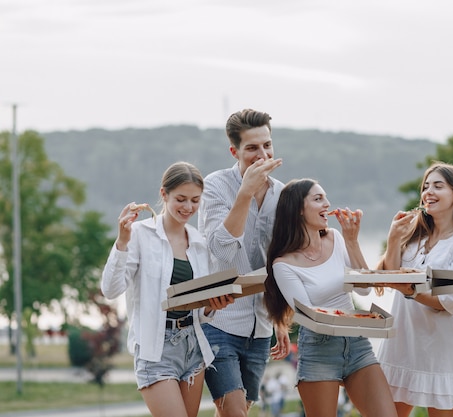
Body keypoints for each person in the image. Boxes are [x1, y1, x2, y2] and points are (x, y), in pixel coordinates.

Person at [101, 161, 233, 417]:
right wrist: (122, 242)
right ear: (164, 194)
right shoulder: (139, 234)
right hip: (155, 349)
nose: (188, 207)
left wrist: (212, 306)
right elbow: (110, 289)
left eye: (195, 200)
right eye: (181, 199)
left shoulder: (199, 242)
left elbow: (199, 307)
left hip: (193, 348)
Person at [264, 178, 399, 417]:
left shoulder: (336, 238)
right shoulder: (283, 264)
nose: (327, 204)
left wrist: (352, 242)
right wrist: (355, 318)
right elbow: (308, 317)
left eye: (325, 197)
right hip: (319, 350)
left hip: (357, 345)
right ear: (298, 210)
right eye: (318, 199)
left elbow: (365, 290)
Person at [198, 109, 290, 416]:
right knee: (234, 412)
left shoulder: (282, 194)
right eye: (252, 148)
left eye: (267, 145)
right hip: (219, 322)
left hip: (260, 327)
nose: (262, 154)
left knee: (239, 410)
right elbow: (221, 251)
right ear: (234, 151)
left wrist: (279, 317)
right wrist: (245, 193)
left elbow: (279, 263)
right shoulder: (215, 186)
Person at [375, 162, 453, 417]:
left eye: (438, 186)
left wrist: (410, 292)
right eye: (425, 187)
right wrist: (393, 239)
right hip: (401, 344)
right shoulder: (416, 234)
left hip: (439, 350)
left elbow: (449, 302)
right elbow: (389, 276)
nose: (428, 192)